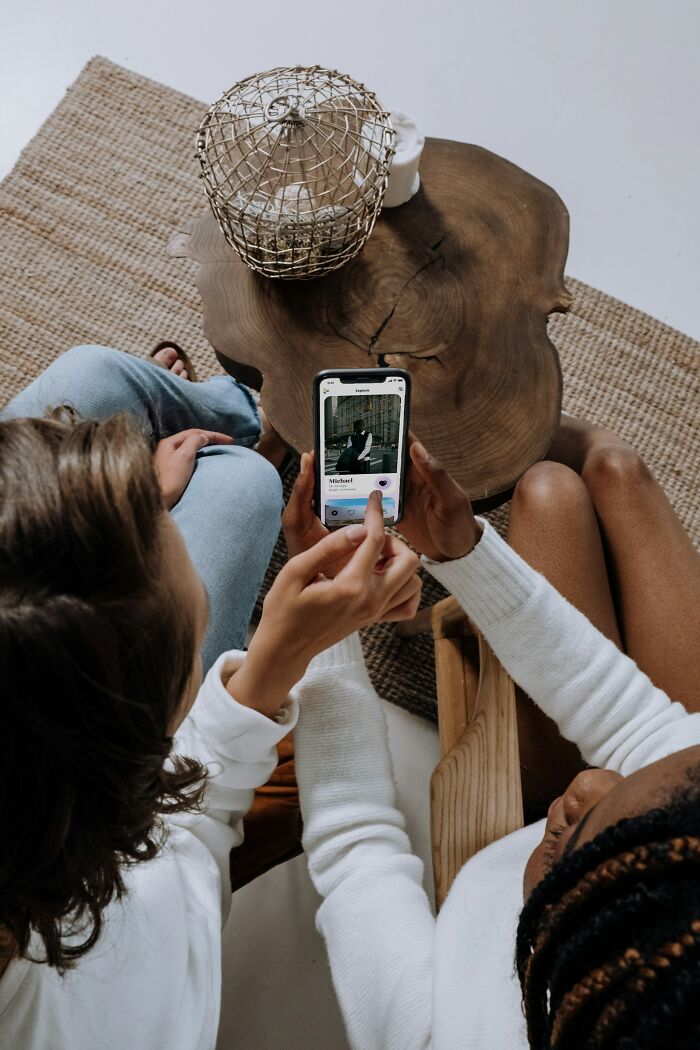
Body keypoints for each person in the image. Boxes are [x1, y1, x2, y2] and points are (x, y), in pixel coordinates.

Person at [0, 342, 424, 1049]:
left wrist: (114, 517)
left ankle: (244, 414)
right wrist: (289, 655)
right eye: (173, 555)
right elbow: (187, 835)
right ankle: (248, 427)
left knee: (91, 380)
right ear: (148, 755)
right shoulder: (121, 1000)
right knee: (241, 483)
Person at [281, 420, 700, 1050]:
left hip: (521, 803)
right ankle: (579, 454)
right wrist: (467, 555)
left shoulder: (441, 1033)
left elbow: (353, 840)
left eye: (572, 854)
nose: (587, 785)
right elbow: (630, 718)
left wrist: (322, 627)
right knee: (606, 474)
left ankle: (557, 452)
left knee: (550, 492)